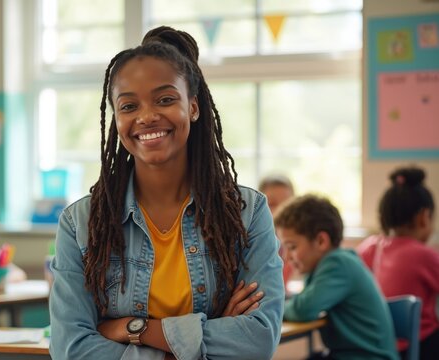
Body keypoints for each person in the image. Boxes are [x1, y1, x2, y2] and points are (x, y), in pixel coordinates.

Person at [49, 26, 284, 360]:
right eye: (129, 106)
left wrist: (134, 330)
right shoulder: (82, 223)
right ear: (115, 118)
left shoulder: (247, 212)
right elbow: (71, 348)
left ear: (193, 107)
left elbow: (258, 340)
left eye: (165, 99)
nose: (146, 117)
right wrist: (196, 343)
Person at [275, 194, 398, 360]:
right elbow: (304, 301)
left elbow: (304, 308)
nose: (287, 256)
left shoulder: (338, 264)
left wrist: (274, 307)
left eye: (292, 247)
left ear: (321, 241)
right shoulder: (324, 268)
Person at [356, 166, 439, 360]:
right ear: (424, 217)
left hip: (374, 345)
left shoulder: (370, 247)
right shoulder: (424, 255)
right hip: (416, 347)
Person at [259, 173, 295, 290]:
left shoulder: (295, 244)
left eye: (286, 203)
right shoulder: (254, 243)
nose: (280, 210)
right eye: (272, 204)